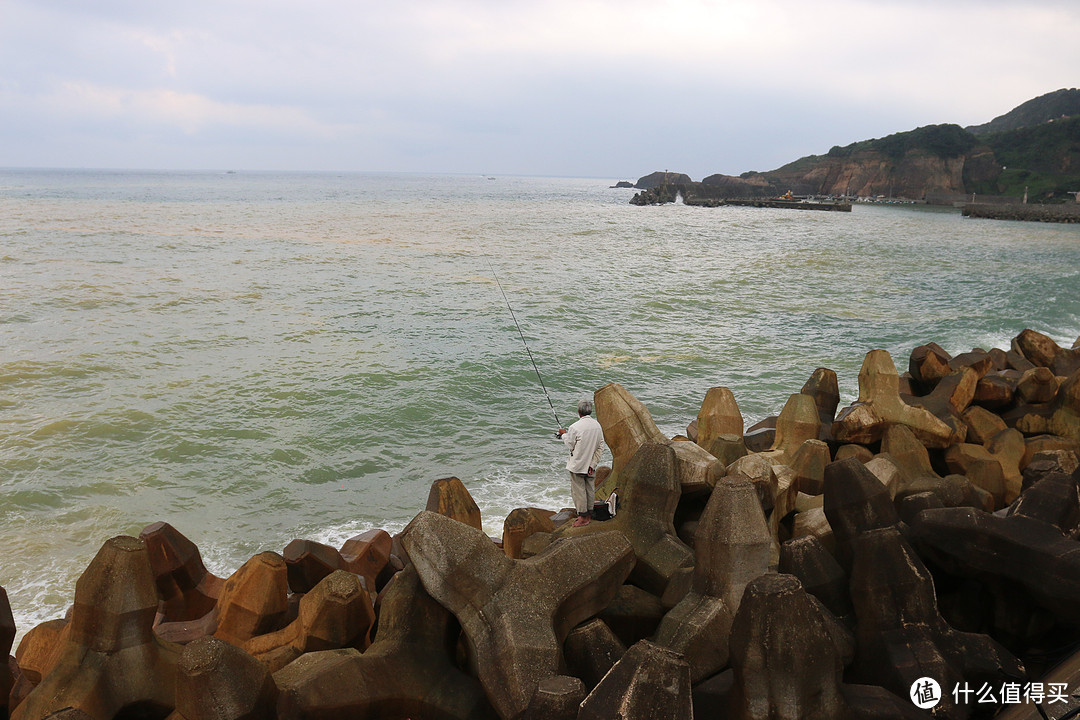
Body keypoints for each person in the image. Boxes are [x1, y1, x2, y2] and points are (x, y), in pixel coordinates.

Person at [556, 399, 605, 527]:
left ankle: (582, 517)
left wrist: (563, 434)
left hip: (577, 465)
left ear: (579, 412)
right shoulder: (597, 425)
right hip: (590, 465)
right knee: (589, 489)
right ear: (590, 411)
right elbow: (600, 447)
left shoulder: (575, 427)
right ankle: (588, 515)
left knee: (579, 491)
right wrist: (592, 464)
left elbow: (570, 445)